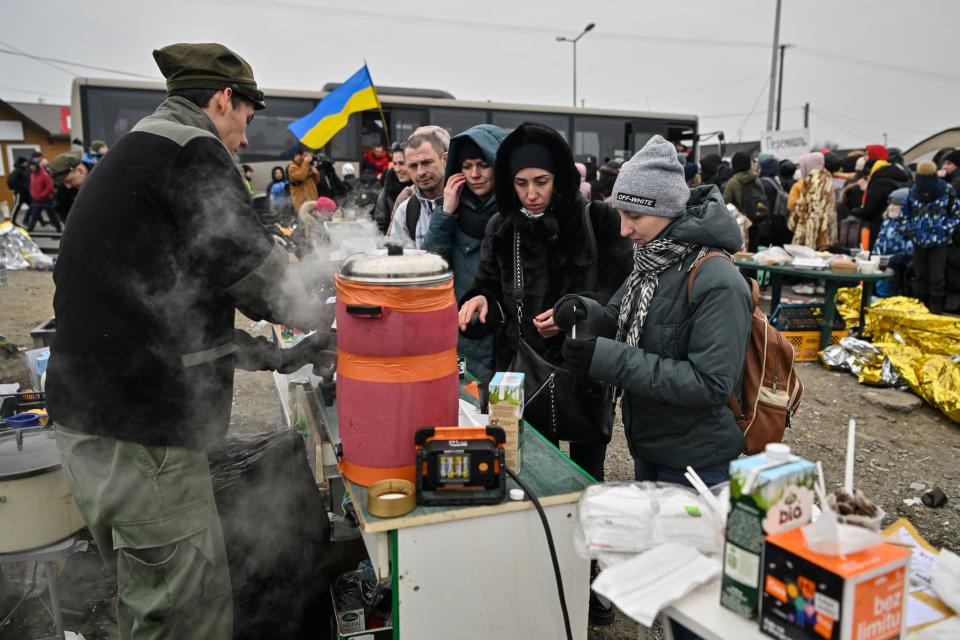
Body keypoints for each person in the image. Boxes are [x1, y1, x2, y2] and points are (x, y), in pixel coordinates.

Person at [47, 43, 334, 640]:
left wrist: (279, 354)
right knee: (185, 614)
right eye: (248, 119)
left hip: (97, 424)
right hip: (141, 434)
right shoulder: (191, 150)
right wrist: (335, 308)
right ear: (224, 99)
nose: (246, 140)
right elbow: (257, 274)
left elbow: (170, 319)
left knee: (150, 601)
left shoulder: (142, 150)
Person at [549, 134, 751, 488]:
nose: (625, 230)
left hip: (697, 461)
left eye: (635, 216)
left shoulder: (717, 279)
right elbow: (616, 317)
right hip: (651, 446)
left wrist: (605, 357)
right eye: (620, 215)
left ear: (667, 209)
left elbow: (709, 384)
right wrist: (581, 311)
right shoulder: (653, 259)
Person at [457, 122, 633, 482]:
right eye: (521, 184)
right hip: (519, 370)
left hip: (584, 368)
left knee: (586, 478)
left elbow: (623, 292)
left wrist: (578, 312)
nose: (532, 193)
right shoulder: (501, 228)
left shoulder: (598, 220)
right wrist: (479, 304)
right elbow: (487, 286)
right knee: (531, 474)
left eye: (542, 181)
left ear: (561, 178)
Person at [422, 124, 507, 384]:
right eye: (467, 166)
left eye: (483, 165)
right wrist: (446, 212)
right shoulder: (452, 210)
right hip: (464, 336)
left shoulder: (517, 213)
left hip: (505, 340)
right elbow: (431, 269)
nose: (474, 174)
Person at [900, 160, 960, 313]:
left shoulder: (913, 190)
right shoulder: (946, 189)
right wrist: (945, 229)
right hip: (939, 241)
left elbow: (904, 214)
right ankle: (934, 311)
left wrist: (912, 230)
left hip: (921, 240)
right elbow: (956, 213)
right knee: (936, 278)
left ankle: (922, 310)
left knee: (922, 276)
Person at [387, 131, 447, 247]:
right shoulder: (405, 211)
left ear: (444, 159)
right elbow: (399, 262)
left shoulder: (468, 202)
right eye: (413, 166)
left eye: (427, 162)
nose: (420, 172)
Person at [851, 155, 910, 250]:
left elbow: (869, 210)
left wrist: (854, 211)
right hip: (904, 226)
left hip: (879, 226)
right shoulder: (904, 179)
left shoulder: (878, 183)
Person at [787, 152, 837, 250]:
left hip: (812, 233)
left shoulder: (813, 181)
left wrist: (794, 220)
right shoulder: (826, 178)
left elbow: (808, 208)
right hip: (824, 231)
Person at [723, 152, 764, 251]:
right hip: (755, 222)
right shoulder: (757, 180)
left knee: (740, 256)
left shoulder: (733, 182)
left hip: (740, 226)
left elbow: (724, 203)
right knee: (752, 254)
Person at [373, 142, 412, 233]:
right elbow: (380, 222)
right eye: (394, 163)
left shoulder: (422, 188)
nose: (397, 169)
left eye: (401, 163)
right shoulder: (387, 190)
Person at [48, 151, 90, 223]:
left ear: (80, 170)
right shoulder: (63, 189)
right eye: (63, 182)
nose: (68, 186)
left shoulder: (102, 180)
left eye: (69, 181)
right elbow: (61, 210)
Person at [27, 157, 61, 233]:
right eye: (30, 166)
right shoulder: (32, 175)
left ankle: (59, 230)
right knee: (34, 216)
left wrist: (41, 195)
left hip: (46, 200)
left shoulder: (44, 175)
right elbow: (32, 186)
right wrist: (33, 194)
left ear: (37, 166)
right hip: (37, 200)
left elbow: (50, 187)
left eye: (33, 166)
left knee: (52, 216)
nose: (31, 167)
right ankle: (29, 230)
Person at [287, 146, 320, 212]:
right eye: (305, 156)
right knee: (303, 220)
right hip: (301, 202)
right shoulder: (292, 167)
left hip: (312, 200)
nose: (307, 158)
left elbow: (317, 182)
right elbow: (301, 177)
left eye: (308, 156)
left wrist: (316, 173)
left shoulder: (306, 165)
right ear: (298, 155)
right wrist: (306, 162)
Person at [5, 156, 31, 226]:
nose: (27, 163)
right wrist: (12, 188)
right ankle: (11, 220)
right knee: (17, 206)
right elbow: (10, 180)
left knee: (33, 206)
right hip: (20, 192)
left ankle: (27, 221)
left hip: (27, 192)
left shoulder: (25, 170)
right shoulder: (17, 170)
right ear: (22, 163)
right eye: (25, 162)